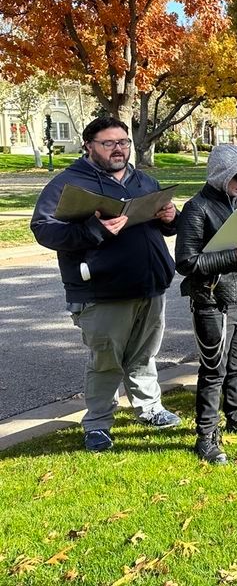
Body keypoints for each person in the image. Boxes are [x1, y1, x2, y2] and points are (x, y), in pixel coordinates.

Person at [31, 116, 182, 452]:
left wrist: (172, 219)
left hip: (150, 283)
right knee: (106, 360)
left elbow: (166, 226)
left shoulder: (142, 180)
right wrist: (94, 231)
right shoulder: (68, 184)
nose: (119, 149)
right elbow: (44, 229)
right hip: (101, 289)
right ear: (89, 146)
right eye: (109, 143)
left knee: (145, 354)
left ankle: (149, 408)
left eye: (123, 142)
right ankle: (98, 424)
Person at [175, 144, 237, 464]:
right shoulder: (198, 208)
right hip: (212, 303)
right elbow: (186, 262)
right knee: (213, 370)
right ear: (221, 175)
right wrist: (236, 256)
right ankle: (206, 435)